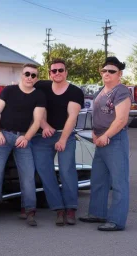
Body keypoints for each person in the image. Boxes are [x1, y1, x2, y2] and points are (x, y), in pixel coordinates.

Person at [79, 56, 131, 231]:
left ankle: (116, 220)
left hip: (114, 139)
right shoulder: (100, 90)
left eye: (111, 71)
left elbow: (122, 119)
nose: (107, 73)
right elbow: (96, 116)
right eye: (104, 71)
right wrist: (95, 134)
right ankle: (97, 213)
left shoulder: (121, 91)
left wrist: (106, 135)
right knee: (99, 179)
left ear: (119, 74)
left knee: (118, 182)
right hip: (100, 139)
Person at [0, 63, 46, 226]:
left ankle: (29, 211)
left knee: (28, 176)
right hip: (4, 136)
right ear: (21, 75)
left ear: (36, 78)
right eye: (27, 74)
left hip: (23, 139)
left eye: (33, 75)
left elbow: (37, 121)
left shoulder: (39, 96)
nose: (29, 77)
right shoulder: (8, 90)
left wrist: (27, 138)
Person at [32, 58, 84, 226]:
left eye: (60, 70)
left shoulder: (75, 92)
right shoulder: (42, 87)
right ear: (50, 73)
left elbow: (72, 117)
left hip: (65, 135)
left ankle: (70, 209)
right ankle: (58, 209)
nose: (57, 73)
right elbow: (36, 109)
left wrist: (62, 139)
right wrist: (45, 125)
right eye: (54, 71)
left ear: (66, 72)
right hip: (43, 136)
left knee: (67, 171)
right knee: (45, 172)